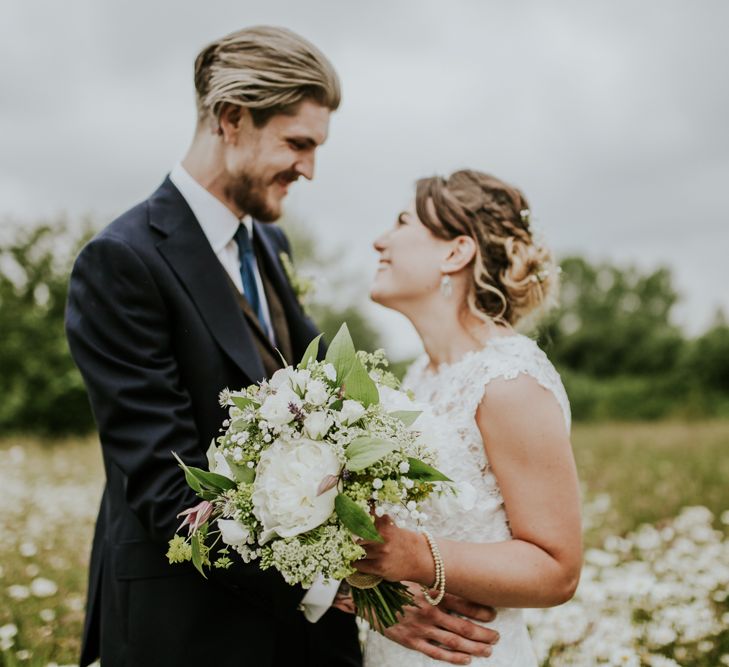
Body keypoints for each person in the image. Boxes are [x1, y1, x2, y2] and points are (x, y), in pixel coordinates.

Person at [65, 25, 356, 667]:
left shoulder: (270, 246)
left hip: (295, 633)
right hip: (188, 628)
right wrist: (334, 584)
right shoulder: (122, 261)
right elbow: (165, 485)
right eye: (297, 143)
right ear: (231, 120)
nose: (309, 168)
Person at [358, 170, 583, 666]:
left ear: (455, 252)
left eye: (401, 222)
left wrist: (417, 557)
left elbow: (558, 569)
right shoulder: (418, 377)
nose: (380, 241)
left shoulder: (509, 381)